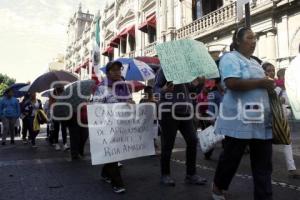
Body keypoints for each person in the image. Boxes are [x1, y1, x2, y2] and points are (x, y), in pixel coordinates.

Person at [212, 27, 274, 200]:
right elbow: (231, 83)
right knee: (231, 158)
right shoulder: (229, 58)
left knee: (263, 164)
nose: (254, 41)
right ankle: (218, 186)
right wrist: (261, 82)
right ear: (238, 41)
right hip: (239, 119)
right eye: (249, 37)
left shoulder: (255, 62)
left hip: (261, 119)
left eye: (255, 38)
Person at [154, 68, 207, 187]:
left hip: (185, 113)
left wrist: (200, 83)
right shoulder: (164, 70)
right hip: (168, 112)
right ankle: (165, 174)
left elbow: (193, 92)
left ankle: (191, 175)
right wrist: (163, 90)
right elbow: (155, 90)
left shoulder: (186, 71)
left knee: (193, 140)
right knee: (168, 145)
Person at [93, 61, 134, 194]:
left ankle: (105, 173)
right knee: (112, 152)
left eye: (119, 69)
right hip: (107, 125)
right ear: (108, 72)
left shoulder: (125, 86)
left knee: (116, 152)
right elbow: (96, 106)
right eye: (113, 70)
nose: (117, 72)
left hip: (122, 124)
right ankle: (117, 182)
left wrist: (130, 102)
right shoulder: (102, 87)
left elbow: (129, 100)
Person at [262, 62, 300, 178]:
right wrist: (279, 94)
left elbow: (287, 101)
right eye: (269, 70)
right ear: (263, 72)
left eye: (273, 70)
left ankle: (292, 168)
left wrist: (282, 98)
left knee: (287, 141)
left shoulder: (277, 85)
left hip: (278, 119)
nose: (272, 72)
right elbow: (265, 100)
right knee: (263, 145)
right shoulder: (262, 84)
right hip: (264, 120)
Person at [139, 86, 160, 153]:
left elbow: (158, 112)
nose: (150, 92)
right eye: (148, 91)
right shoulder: (142, 101)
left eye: (151, 91)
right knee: (146, 135)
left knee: (153, 135)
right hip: (145, 121)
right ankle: (148, 148)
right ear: (145, 92)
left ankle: (153, 147)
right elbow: (140, 111)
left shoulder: (155, 101)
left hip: (154, 121)